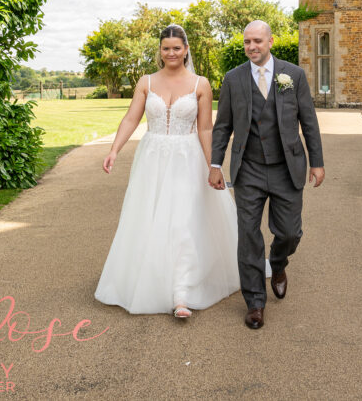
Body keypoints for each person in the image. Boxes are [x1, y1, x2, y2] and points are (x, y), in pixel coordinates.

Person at [95, 25, 239, 319]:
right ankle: (148, 278)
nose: (171, 53)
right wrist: (114, 150)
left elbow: (205, 128)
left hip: (188, 159)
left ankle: (181, 293)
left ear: (186, 49)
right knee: (148, 217)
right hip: (152, 159)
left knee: (183, 221)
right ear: (159, 51)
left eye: (176, 48)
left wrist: (214, 166)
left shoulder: (201, 83)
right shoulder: (146, 81)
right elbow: (131, 119)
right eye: (165, 48)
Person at [210, 20, 325, 329]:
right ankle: (255, 302)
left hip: (288, 168)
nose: (252, 47)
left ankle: (278, 262)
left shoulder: (294, 75)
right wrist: (216, 163)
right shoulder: (233, 79)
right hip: (248, 169)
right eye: (248, 42)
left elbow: (309, 122)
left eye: (258, 41)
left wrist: (317, 161)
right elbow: (223, 126)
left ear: (271, 41)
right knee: (248, 235)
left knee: (289, 232)